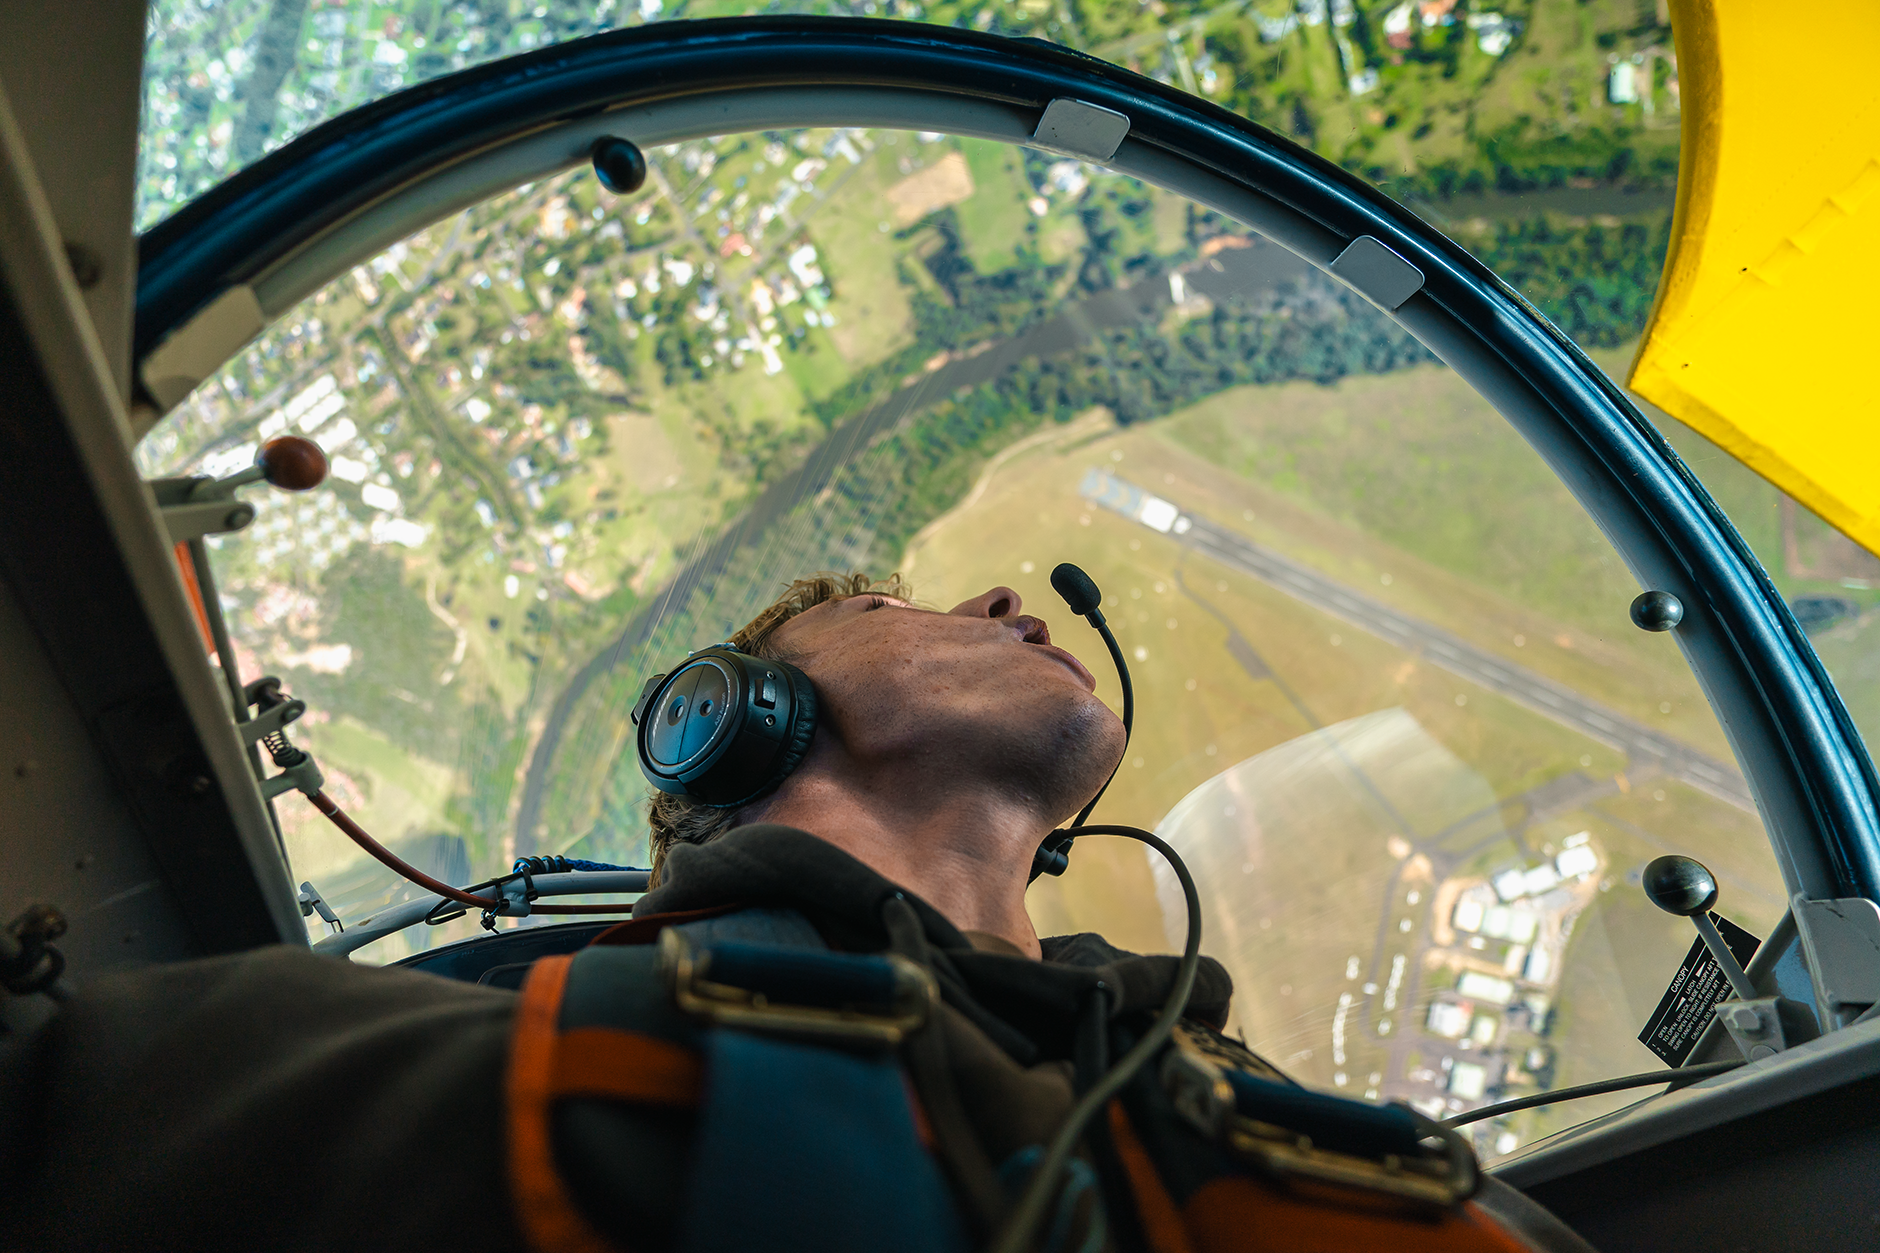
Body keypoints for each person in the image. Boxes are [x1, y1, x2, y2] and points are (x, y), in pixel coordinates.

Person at [0, 572, 1595, 1253]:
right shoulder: (477, 1056)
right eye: (891, 605)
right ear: (726, 718)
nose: (997, 602)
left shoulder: (1242, 1104)